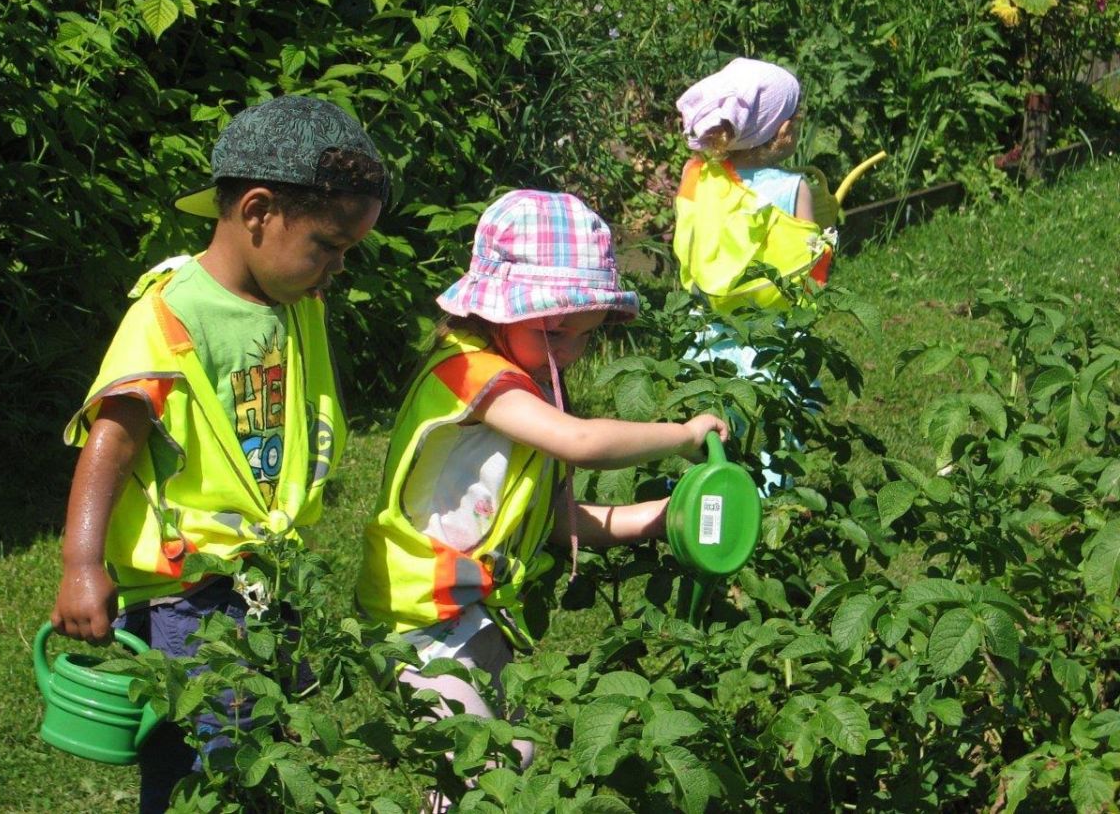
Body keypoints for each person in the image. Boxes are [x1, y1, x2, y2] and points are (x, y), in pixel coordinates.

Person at [48, 94, 389, 813]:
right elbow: (111, 436)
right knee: (229, 760)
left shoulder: (292, 300)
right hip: (190, 591)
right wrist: (81, 566)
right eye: (327, 246)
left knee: (236, 755)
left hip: (264, 576)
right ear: (258, 211)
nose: (334, 269)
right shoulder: (174, 310)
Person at [355, 190, 728, 802]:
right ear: (497, 311)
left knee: (500, 756)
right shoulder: (473, 376)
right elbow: (579, 442)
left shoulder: (524, 391)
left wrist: (666, 518)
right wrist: (682, 436)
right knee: (487, 763)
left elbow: (557, 522)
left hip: (470, 605)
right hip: (415, 609)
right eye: (554, 330)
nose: (569, 351)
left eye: (583, 334)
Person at [673, 58, 837, 491]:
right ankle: (767, 510)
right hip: (772, 337)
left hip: (709, 333)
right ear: (783, 129)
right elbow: (810, 270)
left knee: (713, 429)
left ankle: (706, 503)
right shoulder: (792, 187)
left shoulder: (696, 178)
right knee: (773, 433)